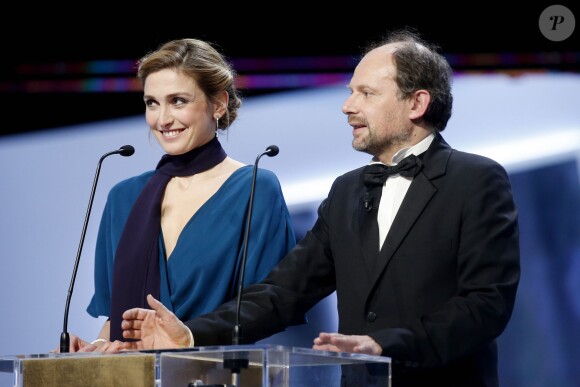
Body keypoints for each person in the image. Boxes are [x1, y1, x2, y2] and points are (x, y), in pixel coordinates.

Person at [120, 28, 520, 387]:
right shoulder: (346, 191)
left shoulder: (475, 180)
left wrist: (384, 345)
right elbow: (283, 292)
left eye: (365, 93)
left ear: (416, 103)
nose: (347, 106)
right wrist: (190, 335)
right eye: (350, 92)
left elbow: (486, 305)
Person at [64, 38, 296, 352]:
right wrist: (95, 347)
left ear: (218, 104)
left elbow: (267, 308)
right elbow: (116, 321)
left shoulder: (255, 188)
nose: (162, 119)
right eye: (152, 103)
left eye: (178, 101)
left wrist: (188, 337)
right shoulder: (123, 197)